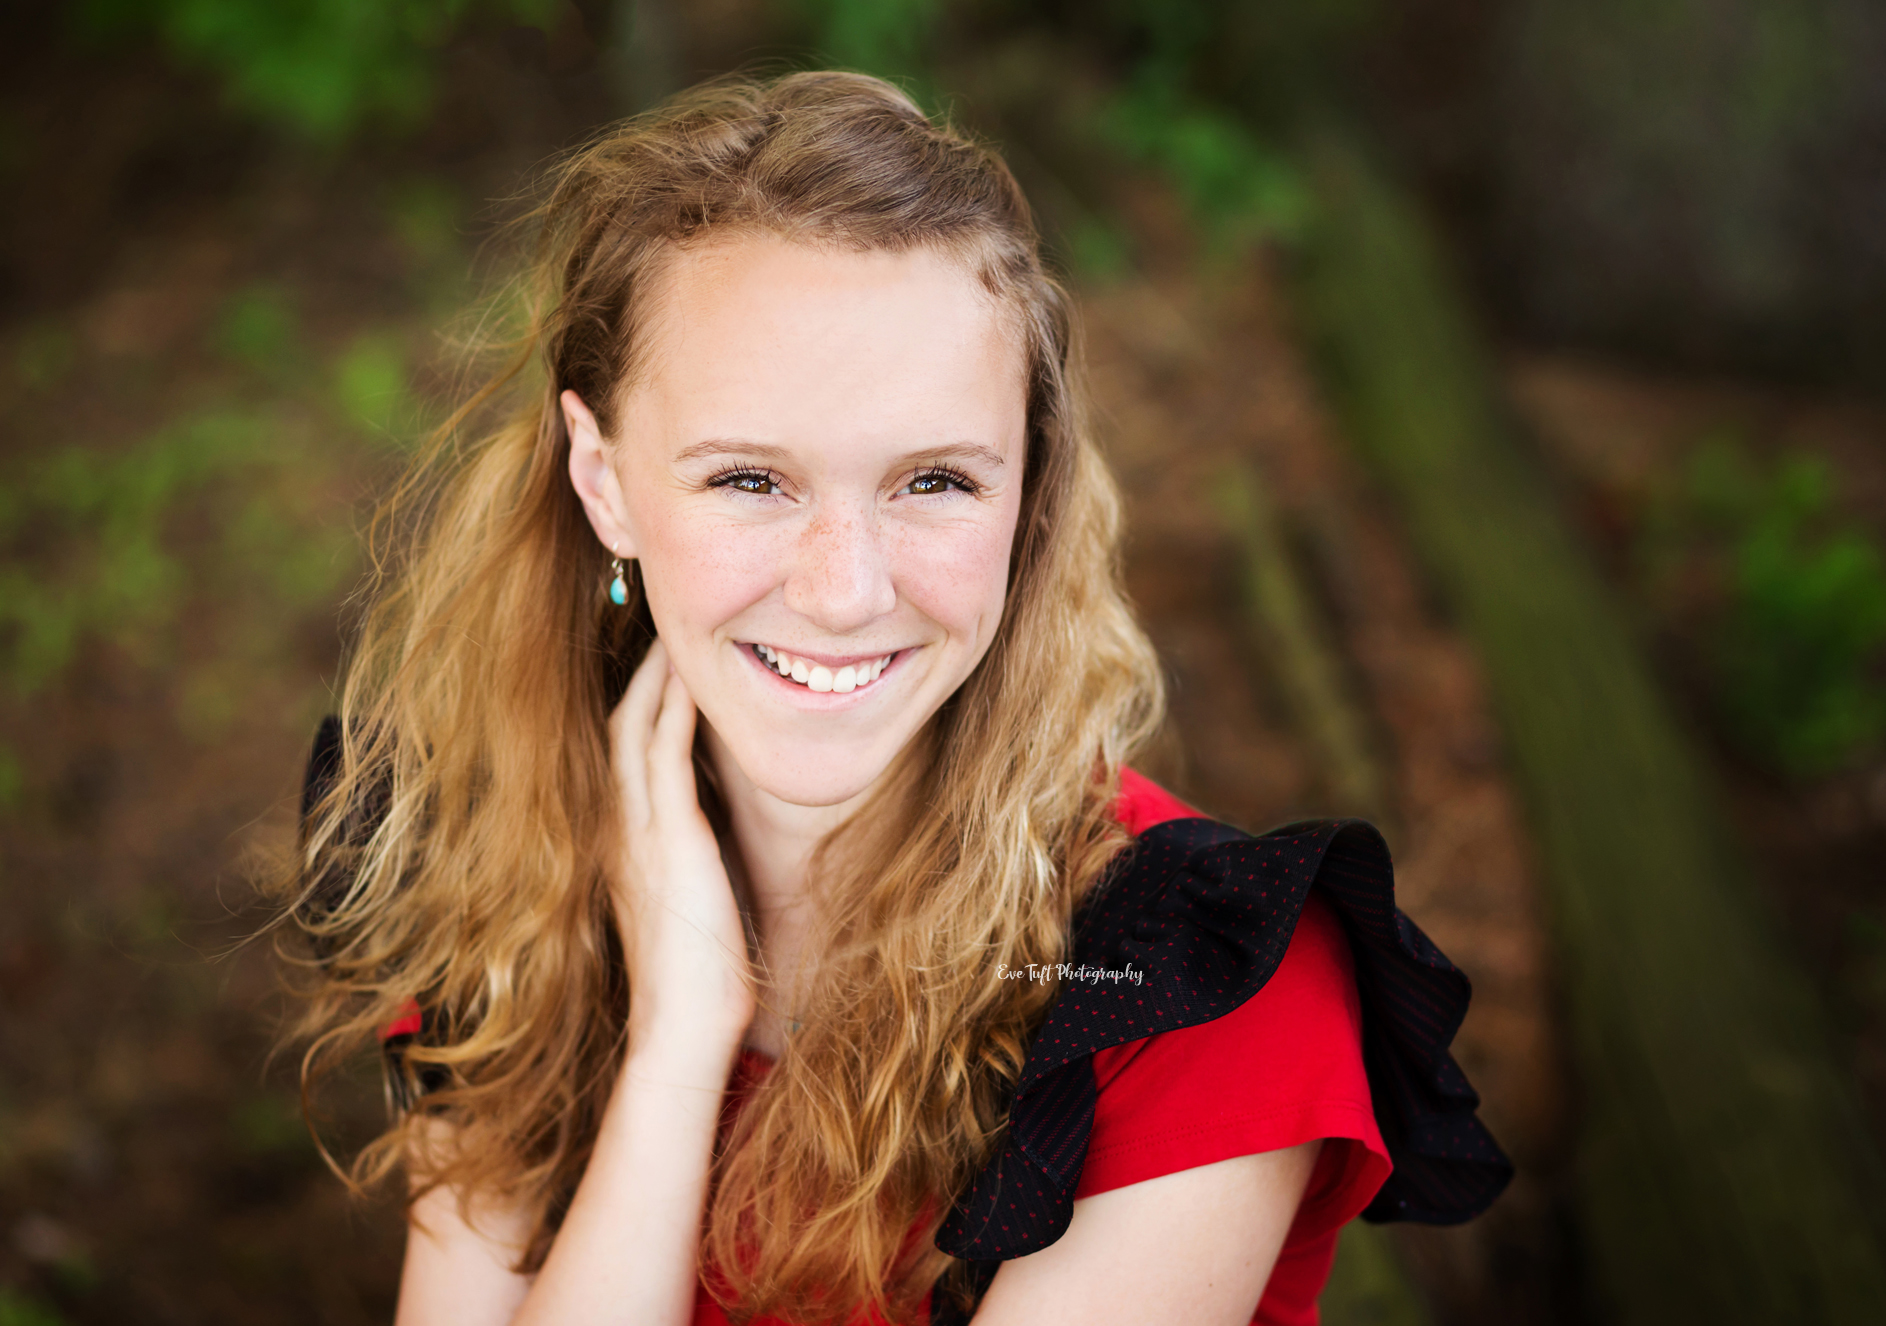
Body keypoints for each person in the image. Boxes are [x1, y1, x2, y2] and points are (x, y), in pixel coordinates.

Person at [281, 71, 1507, 1326]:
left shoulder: (1198, 992)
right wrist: (677, 1043)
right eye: (749, 478)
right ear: (603, 481)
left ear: (1027, 489)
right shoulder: (497, 872)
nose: (843, 591)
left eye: (933, 481)